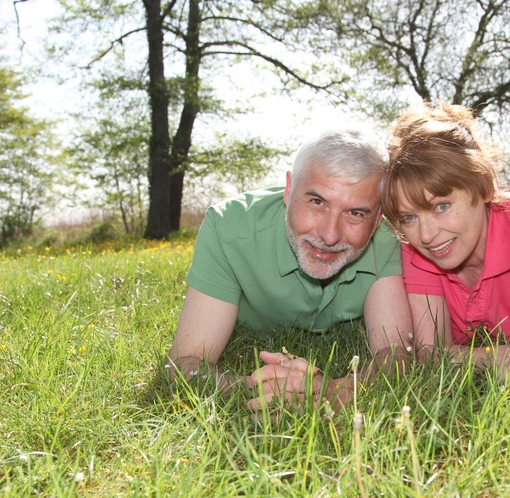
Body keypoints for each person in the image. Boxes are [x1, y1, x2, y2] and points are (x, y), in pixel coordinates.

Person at [166, 130, 413, 411]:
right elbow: (184, 362)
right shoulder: (227, 228)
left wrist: (333, 390)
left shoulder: (389, 238)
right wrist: (259, 390)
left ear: (378, 217)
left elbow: (396, 354)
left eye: (356, 213)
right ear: (288, 189)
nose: (330, 235)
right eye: (317, 202)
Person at [382, 103, 510, 381]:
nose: (426, 235)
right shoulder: (416, 250)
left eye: (441, 206)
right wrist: (504, 356)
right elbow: (431, 356)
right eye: (409, 217)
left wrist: (467, 359)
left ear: (483, 186)